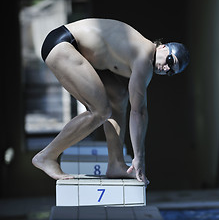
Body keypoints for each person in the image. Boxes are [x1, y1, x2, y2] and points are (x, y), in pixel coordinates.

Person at [32, 18, 190, 185]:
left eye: (171, 71)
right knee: (100, 111)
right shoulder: (144, 57)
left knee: (119, 96)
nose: (166, 68)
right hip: (63, 45)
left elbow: (138, 109)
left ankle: (116, 164)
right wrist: (139, 157)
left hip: (76, 49)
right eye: (170, 61)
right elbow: (139, 112)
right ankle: (46, 156)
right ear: (163, 47)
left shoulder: (143, 56)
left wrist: (138, 156)